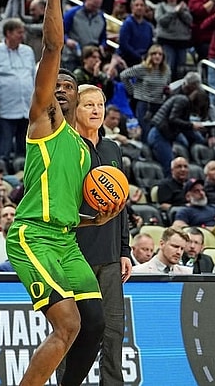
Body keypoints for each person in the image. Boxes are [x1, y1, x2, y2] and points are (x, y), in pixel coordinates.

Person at [4, 0, 113, 386]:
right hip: (33, 236)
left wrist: (94, 220)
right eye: (58, 85)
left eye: (70, 84)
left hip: (66, 239)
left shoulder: (84, 151)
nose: (62, 87)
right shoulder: (43, 122)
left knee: (95, 323)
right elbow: (52, 46)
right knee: (67, 324)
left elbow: (69, 203)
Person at [74, 84, 132, 385]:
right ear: (75, 110)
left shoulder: (112, 149)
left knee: (113, 330)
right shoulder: (68, 149)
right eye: (88, 105)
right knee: (77, 329)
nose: (96, 110)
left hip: (110, 256)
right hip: (75, 254)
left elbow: (122, 205)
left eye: (100, 105)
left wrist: (125, 250)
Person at [0, 18, 37, 166]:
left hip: (26, 107)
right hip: (4, 107)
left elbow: (32, 76)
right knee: (4, 147)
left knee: (24, 147)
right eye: (19, 32)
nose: (22, 35)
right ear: (8, 33)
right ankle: (3, 172)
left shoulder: (28, 51)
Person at [147, 84, 209, 176]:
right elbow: (173, 119)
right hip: (159, 135)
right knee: (170, 168)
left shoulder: (183, 102)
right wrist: (191, 125)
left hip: (165, 136)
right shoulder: (182, 101)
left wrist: (203, 139)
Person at [120, 43, 170, 138]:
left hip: (159, 104)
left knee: (157, 133)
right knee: (146, 133)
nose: (157, 56)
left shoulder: (166, 70)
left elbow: (166, 84)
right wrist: (132, 92)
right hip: (144, 104)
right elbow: (124, 75)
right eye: (154, 54)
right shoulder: (142, 68)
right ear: (150, 55)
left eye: (160, 54)